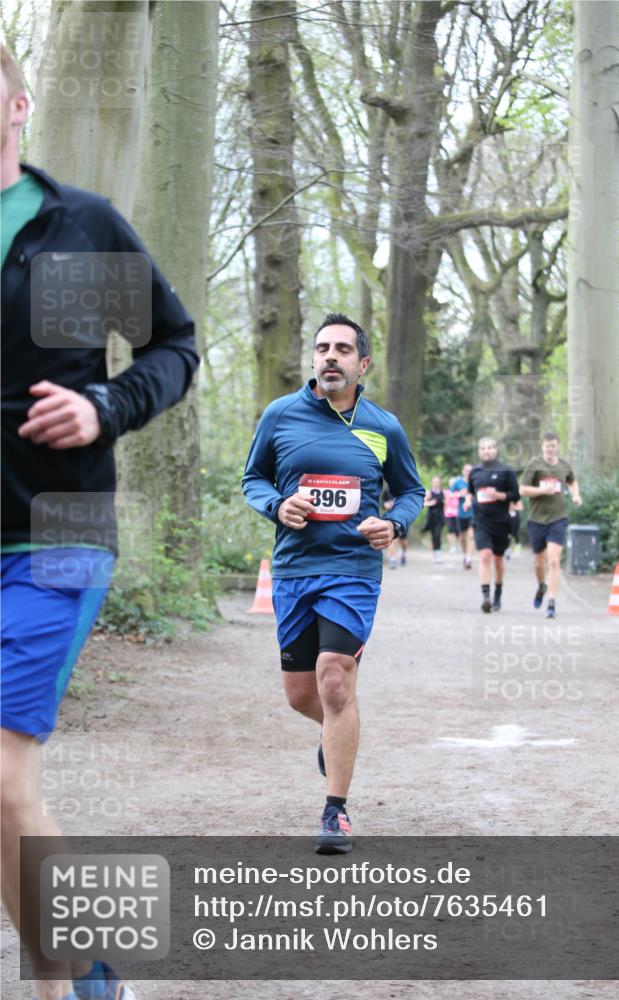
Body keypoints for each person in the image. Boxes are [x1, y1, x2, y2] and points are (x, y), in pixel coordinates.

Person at [1, 46, 199, 1000]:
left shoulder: (78, 226)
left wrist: (104, 408)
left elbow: (173, 343)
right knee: (6, 795)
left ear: (18, 105)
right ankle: (83, 967)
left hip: (60, 528)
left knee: (1, 777)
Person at [242, 313, 424, 854]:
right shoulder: (281, 416)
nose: (330, 356)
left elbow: (412, 492)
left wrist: (393, 523)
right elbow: (252, 478)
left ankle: (335, 812)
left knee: (336, 681)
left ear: (362, 364)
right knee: (302, 695)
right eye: (322, 347)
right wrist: (278, 504)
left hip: (352, 569)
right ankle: (335, 735)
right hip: (295, 568)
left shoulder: (383, 425)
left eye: (343, 349)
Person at [519, 431, 582, 618]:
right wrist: (541, 490)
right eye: (547, 446)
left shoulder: (564, 465)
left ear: (558, 446)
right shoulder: (535, 465)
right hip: (537, 519)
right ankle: (541, 586)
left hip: (558, 518)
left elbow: (572, 481)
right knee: (539, 562)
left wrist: (576, 495)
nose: (550, 449)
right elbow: (522, 490)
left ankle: (552, 603)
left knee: (554, 560)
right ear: (542, 446)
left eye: (553, 446)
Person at [464, 438, 520, 613]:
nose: (486, 451)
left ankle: (498, 593)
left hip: (501, 522)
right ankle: (486, 597)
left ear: (496, 450)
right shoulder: (475, 471)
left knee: (497, 560)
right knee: (485, 556)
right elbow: (470, 492)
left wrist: (499, 495)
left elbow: (516, 495)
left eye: (489, 448)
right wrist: (467, 500)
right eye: (483, 448)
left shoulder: (506, 470)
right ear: (479, 452)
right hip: (481, 521)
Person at [452, 462, 473, 569]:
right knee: (463, 538)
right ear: (463, 472)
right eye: (466, 470)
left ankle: (469, 558)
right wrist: (460, 494)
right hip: (461, 514)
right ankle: (465, 555)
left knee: (471, 536)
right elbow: (450, 494)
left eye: (470, 470)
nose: (468, 472)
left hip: (473, 513)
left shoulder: (475, 481)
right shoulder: (458, 482)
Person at [382, 485, 409, 568]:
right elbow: (382, 503)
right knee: (392, 538)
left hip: (403, 518)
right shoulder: (386, 491)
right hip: (391, 517)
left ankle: (403, 553)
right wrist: (385, 505)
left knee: (403, 540)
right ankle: (392, 559)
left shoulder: (405, 488)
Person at [422, 475, 445, 562]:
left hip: (440, 518)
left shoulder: (443, 493)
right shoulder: (429, 493)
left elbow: (446, 504)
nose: (436, 484)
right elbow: (423, 504)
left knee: (437, 534)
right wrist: (430, 502)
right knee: (433, 536)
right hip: (431, 517)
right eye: (435, 482)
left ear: (440, 483)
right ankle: (435, 555)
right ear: (432, 483)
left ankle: (438, 555)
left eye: (438, 482)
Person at [443, 479, 460, 553]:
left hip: (458, 514)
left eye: (454, 483)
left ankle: (457, 544)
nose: (452, 485)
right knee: (450, 530)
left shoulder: (458, 492)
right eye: (451, 483)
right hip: (448, 514)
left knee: (457, 531)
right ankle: (452, 546)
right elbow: (444, 502)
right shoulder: (446, 492)